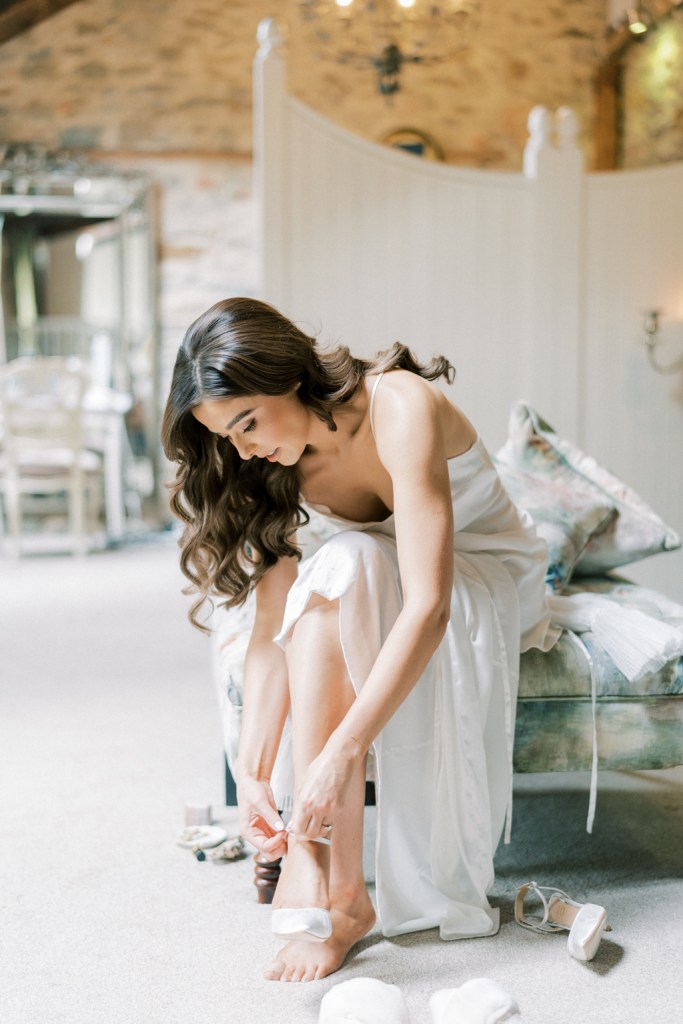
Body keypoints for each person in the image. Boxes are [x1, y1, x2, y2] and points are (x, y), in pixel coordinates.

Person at [161, 296, 560, 984]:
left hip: (484, 574)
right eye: (227, 436)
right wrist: (255, 772)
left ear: (288, 373)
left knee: (346, 562)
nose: (244, 447)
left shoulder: (400, 405)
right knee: (338, 567)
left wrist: (336, 757)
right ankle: (337, 886)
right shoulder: (270, 465)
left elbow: (429, 604)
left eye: (247, 421)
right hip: (375, 577)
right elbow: (271, 625)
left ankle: (326, 875)